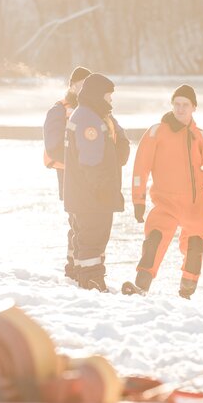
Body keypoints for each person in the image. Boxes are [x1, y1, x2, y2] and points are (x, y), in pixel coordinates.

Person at [122, 84, 203, 299]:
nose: (180, 109)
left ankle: (186, 292)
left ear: (194, 107)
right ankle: (141, 286)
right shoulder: (157, 132)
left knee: (195, 248)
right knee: (153, 242)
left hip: (196, 205)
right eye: (177, 104)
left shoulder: (201, 137)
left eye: (185, 105)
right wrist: (138, 201)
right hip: (165, 203)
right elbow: (141, 168)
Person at [63, 73, 130, 291]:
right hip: (90, 197)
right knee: (93, 237)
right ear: (98, 96)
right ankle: (91, 281)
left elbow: (117, 139)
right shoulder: (87, 120)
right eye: (108, 97)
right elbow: (90, 161)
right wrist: (101, 189)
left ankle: (88, 277)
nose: (110, 102)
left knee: (91, 237)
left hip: (87, 195)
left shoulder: (94, 114)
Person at [43, 66, 92, 280]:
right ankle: (74, 266)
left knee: (86, 220)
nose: (83, 92)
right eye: (80, 86)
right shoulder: (58, 111)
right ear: (72, 86)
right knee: (77, 220)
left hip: (88, 175)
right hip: (68, 176)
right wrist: (77, 161)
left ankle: (78, 264)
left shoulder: (93, 111)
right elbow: (53, 146)